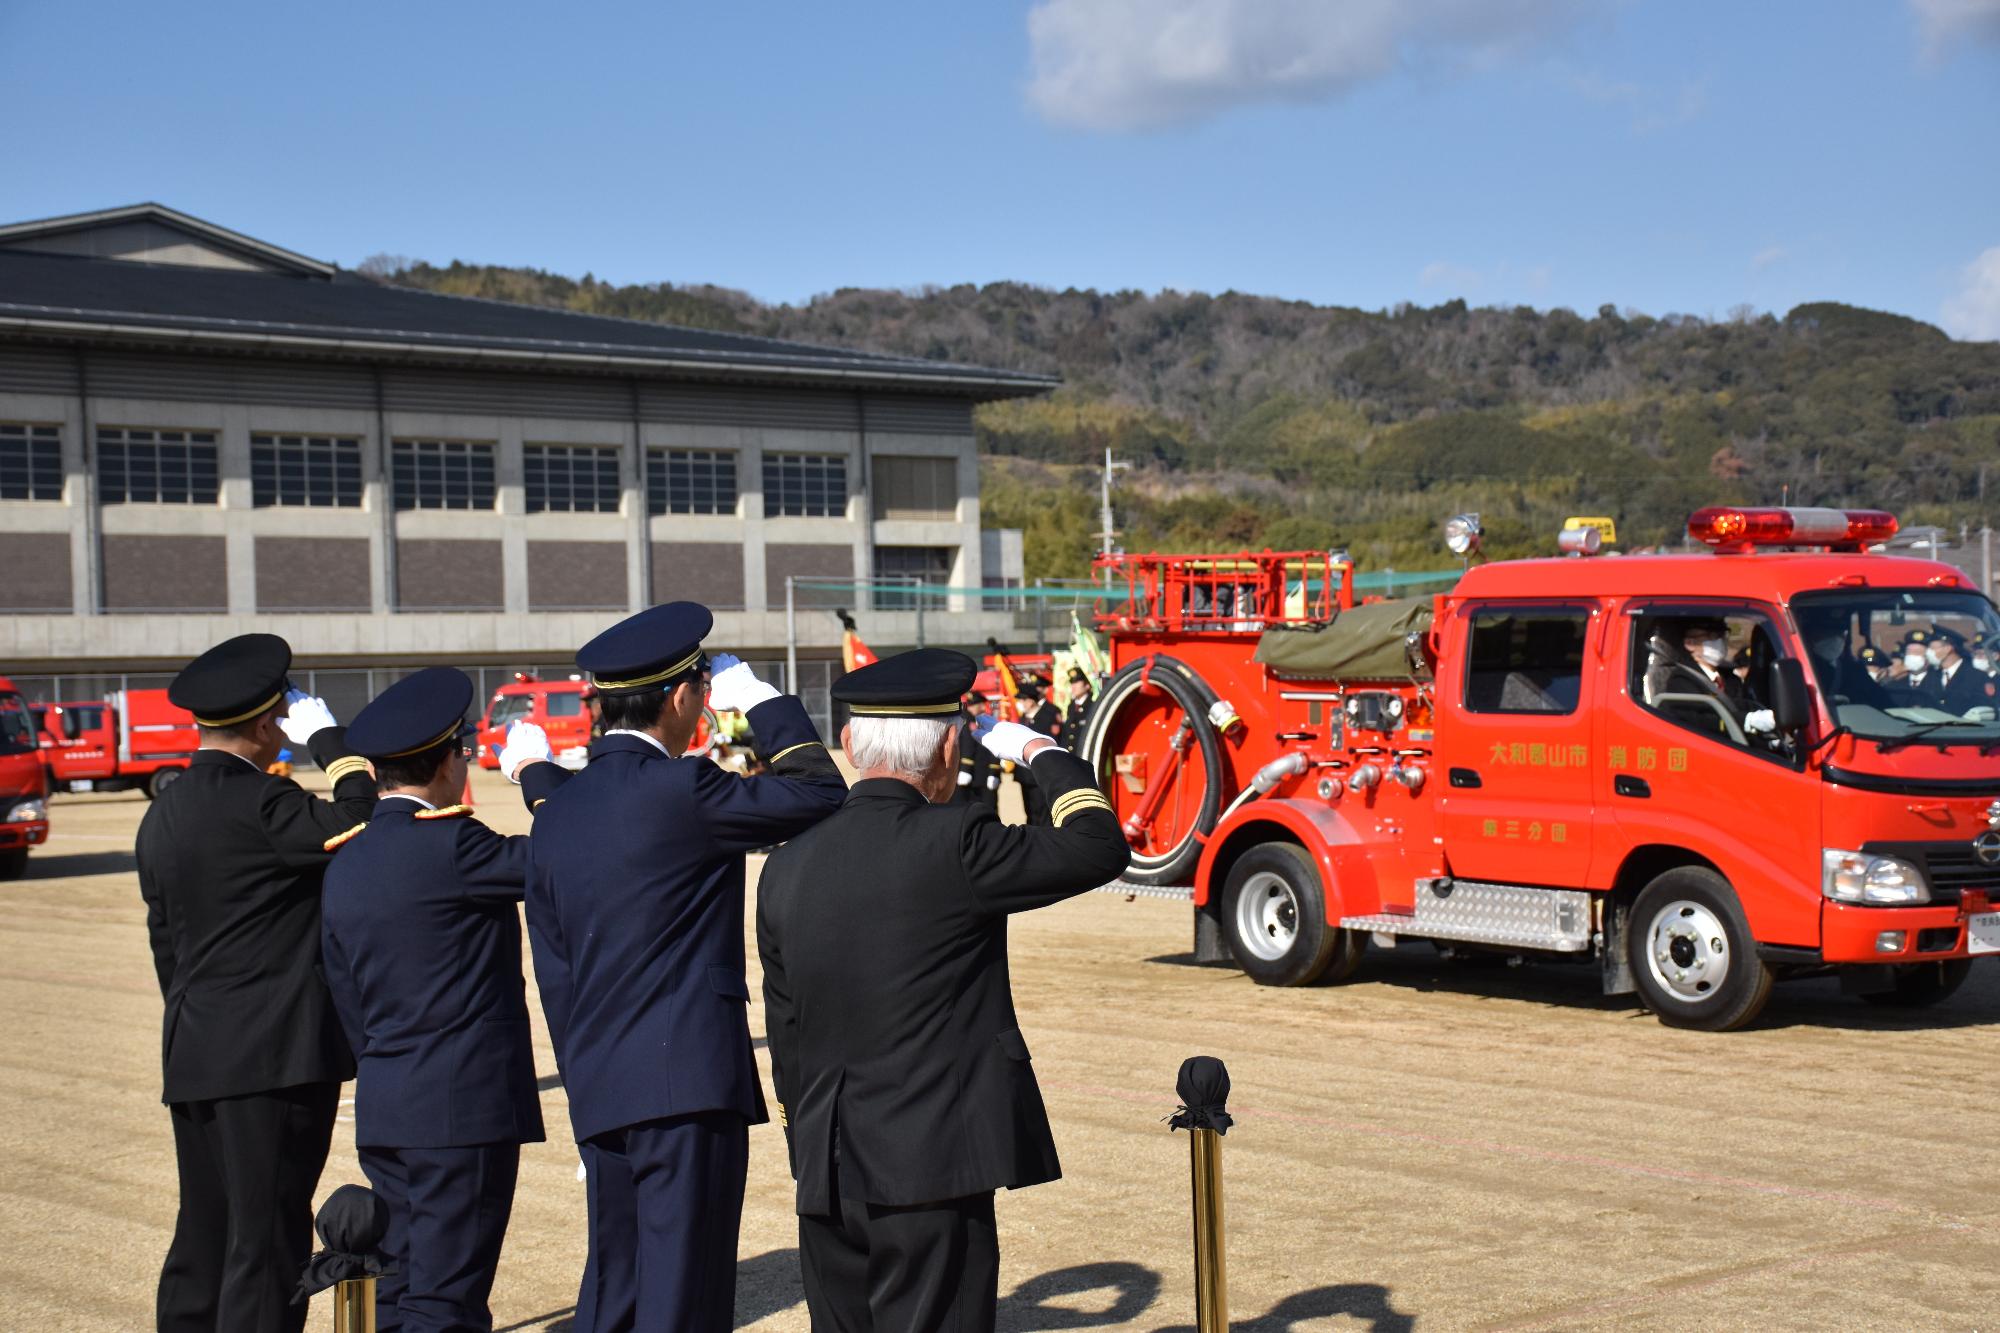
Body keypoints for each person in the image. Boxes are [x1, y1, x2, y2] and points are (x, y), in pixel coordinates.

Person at [758, 649, 1131, 1332]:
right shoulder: (956, 840)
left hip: (826, 1167)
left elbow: (786, 1034)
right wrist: (1043, 750)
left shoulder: (786, 866)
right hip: (930, 1168)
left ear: (847, 742)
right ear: (950, 745)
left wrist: (805, 1143)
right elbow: (1098, 844)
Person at [525, 602, 847, 1332]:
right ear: (681, 695)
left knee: (616, 1293)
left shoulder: (557, 812)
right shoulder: (682, 787)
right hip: (685, 1089)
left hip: (601, 1086)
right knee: (683, 1297)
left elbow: (555, 971)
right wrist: (765, 703)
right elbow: (822, 793)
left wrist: (584, 1081)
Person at [137, 634, 376, 1333]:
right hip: (270, 1057)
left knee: (204, 1232)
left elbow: (165, 945)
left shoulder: (165, 811)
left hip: (197, 1048)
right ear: (271, 721)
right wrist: (333, 743)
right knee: (267, 1240)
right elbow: (361, 819)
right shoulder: (265, 805)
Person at [320, 668, 563, 1333]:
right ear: (452, 761)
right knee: (446, 1298)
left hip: (388, 1100)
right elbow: (571, 855)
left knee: (397, 1286)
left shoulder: (347, 858)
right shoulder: (454, 842)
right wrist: (537, 773)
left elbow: (345, 992)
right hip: (460, 1111)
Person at [1641, 617, 1773, 739]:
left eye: (1722, 635)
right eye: (1711, 636)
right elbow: (1698, 721)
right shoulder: (1681, 680)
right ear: (1690, 643)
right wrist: (1747, 720)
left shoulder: (1731, 679)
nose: (1720, 641)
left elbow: (1740, 704)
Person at [1926, 626, 1996, 716]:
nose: (1928, 652)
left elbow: (1985, 710)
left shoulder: (1977, 677)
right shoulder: (1932, 675)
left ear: (1948, 649)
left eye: (1932, 648)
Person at [953, 692, 999, 808]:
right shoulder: (967, 718)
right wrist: (965, 769)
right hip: (971, 772)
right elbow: (968, 743)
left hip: (980, 772)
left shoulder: (979, 719)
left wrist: (994, 771)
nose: (983, 707)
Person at [1886, 630, 1941, 708]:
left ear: (1928, 656)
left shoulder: (1940, 681)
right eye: (1909, 652)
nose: (1911, 656)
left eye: (1917, 652)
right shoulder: (1892, 686)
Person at [1061, 666, 1095, 750]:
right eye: (1072, 683)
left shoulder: (1092, 706)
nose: (1073, 686)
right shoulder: (1071, 706)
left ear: (1087, 685)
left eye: (1077, 682)